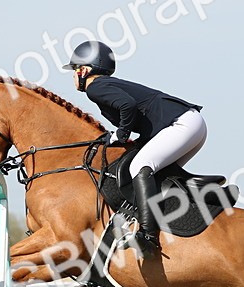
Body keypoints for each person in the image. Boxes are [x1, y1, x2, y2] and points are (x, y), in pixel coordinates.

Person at [64, 40, 206, 258]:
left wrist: (121, 134)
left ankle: (147, 236)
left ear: (84, 70)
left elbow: (127, 106)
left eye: (74, 70)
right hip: (190, 124)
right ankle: (198, 188)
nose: (73, 76)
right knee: (150, 168)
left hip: (181, 124)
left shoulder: (95, 87)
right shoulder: (107, 85)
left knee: (141, 165)